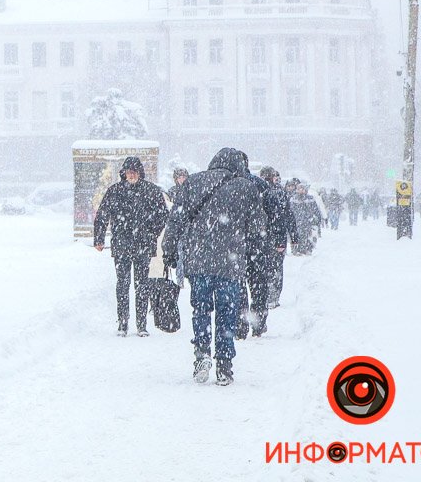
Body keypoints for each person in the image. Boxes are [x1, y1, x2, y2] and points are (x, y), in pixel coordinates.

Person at [162, 148, 266, 386]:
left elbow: (176, 220)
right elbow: (257, 228)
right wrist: (254, 255)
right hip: (231, 262)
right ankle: (224, 364)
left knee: (201, 309)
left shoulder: (193, 182)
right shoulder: (246, 187)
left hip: (199, 260)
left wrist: (169, 250)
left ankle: (202, 354)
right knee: (227, 312)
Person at [94, 156, 168, 337]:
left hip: (143, 245)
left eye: (134, 172)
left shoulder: (151, 191)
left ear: (140, 173)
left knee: (142, 285)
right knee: (123, 285)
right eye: (129, 172)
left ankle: (141, 325)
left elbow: (163, 215)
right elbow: (102, 214)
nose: (131, 175)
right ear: (124, 173)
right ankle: (123, 324)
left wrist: (152, 233)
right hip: (122, 246)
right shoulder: (115, 191)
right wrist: (99, 238)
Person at [258, 167, 296, 314]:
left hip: (266, 237)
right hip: (271, 237)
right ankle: (271, 296)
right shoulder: (276, 193)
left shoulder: (270, 193)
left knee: (268, 268)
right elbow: (287, 216)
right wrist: (291, 236)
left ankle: (268, 296)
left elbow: (282, 217)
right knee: (274, 268)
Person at [288, 179, 321, 254]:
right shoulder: (293, 199)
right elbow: (290, 210)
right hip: (297, 220)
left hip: (308, 221)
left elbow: (315, 209)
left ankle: (306, 249)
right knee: (297, 235)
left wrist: (317, 218)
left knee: (307, 235)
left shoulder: (310, 198)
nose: (301, 190)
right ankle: (296, 249)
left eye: (302, 189)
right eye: (299, 189)